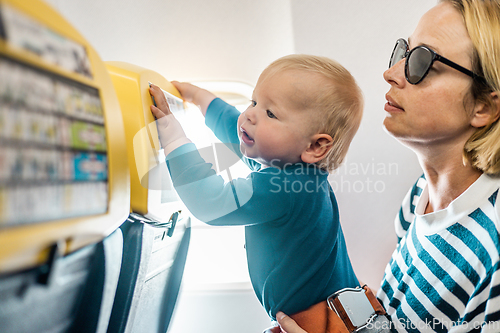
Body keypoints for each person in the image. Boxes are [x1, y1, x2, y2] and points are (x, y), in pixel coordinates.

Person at [268, 0, 500, 332]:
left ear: (482, 106)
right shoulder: (421, 194)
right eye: (403, 52)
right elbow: (392, 321)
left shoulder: (494, 245)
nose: (390, 73)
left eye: (422, 62)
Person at [148, 54, 364, 328]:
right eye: (253, 102)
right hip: (338, 315)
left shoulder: (288, 187)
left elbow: (211, 202)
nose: (250, 113)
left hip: (324, 325)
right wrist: (199, 97)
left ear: (314, 147)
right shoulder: (294, 171)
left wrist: (174, 138)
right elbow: (234, 129)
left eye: (270, 113)